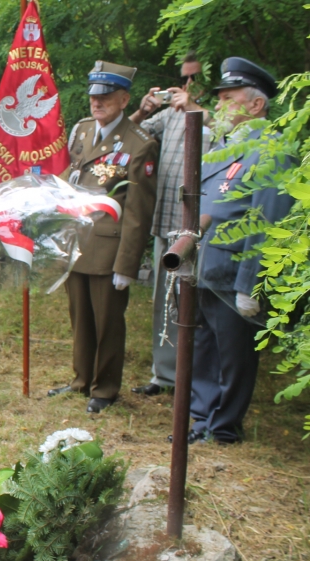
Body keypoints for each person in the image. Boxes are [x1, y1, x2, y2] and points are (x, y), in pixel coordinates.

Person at [189, 58, 293, 444]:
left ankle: (223, 427)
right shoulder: (228, 148)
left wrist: (252, 283)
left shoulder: (270, 150)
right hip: (208, 268)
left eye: (227, 98)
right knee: (205, 349)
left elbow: (268, 220)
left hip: (234, 274)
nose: (218, 106)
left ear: (256, 105)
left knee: (234, 355)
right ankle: (202, 419)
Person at [49, 61, 158, 413]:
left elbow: (138, 211)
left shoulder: (139, 143)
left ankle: (105, 388)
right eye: (94, 96)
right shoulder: (82, 130)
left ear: (124, 100)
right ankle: (81, 380)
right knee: (80, 318)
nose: (97, 102)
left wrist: (127, 265)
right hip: (78, 242)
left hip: (110, 248)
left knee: (107, 322)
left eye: (106, 97)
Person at [128, 51, 211, 397]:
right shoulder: (171, 114)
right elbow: (128, 135)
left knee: (200, 305)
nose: (187, 84)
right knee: (166, 302)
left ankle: (198, 380)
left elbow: (231, 137)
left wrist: (195, 109)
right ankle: (164, 377)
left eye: (195, 77)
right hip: (168, 221)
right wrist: (143, 110)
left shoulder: (220, 114)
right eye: (183, 78)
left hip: (203, 226)